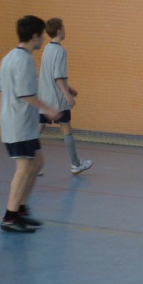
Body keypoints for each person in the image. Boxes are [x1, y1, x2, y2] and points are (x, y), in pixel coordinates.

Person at [0, 15, 61, 233]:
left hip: (21, 123)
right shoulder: (23, 60)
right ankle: (9, 218)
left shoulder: (9, 57)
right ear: (34, 36)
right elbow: (26, 95)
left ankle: (21, 210)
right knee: (23, 168)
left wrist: (1, 116)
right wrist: (48, 109)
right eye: (41, 35)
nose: (43, 39)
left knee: (37, 162)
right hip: (19, 124)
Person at [38, 17, 92, 175]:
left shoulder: (47, 49)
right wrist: (67, 94)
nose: (65, 30)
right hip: (57, 99)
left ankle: (29, 164)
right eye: (64, 27)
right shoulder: (60, 51)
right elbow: (58, 77)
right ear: (59, 31)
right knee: (66, 128)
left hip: (44, 97)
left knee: (38, 130)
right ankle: (76, 164)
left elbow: (52, 75)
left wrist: (70, 88)